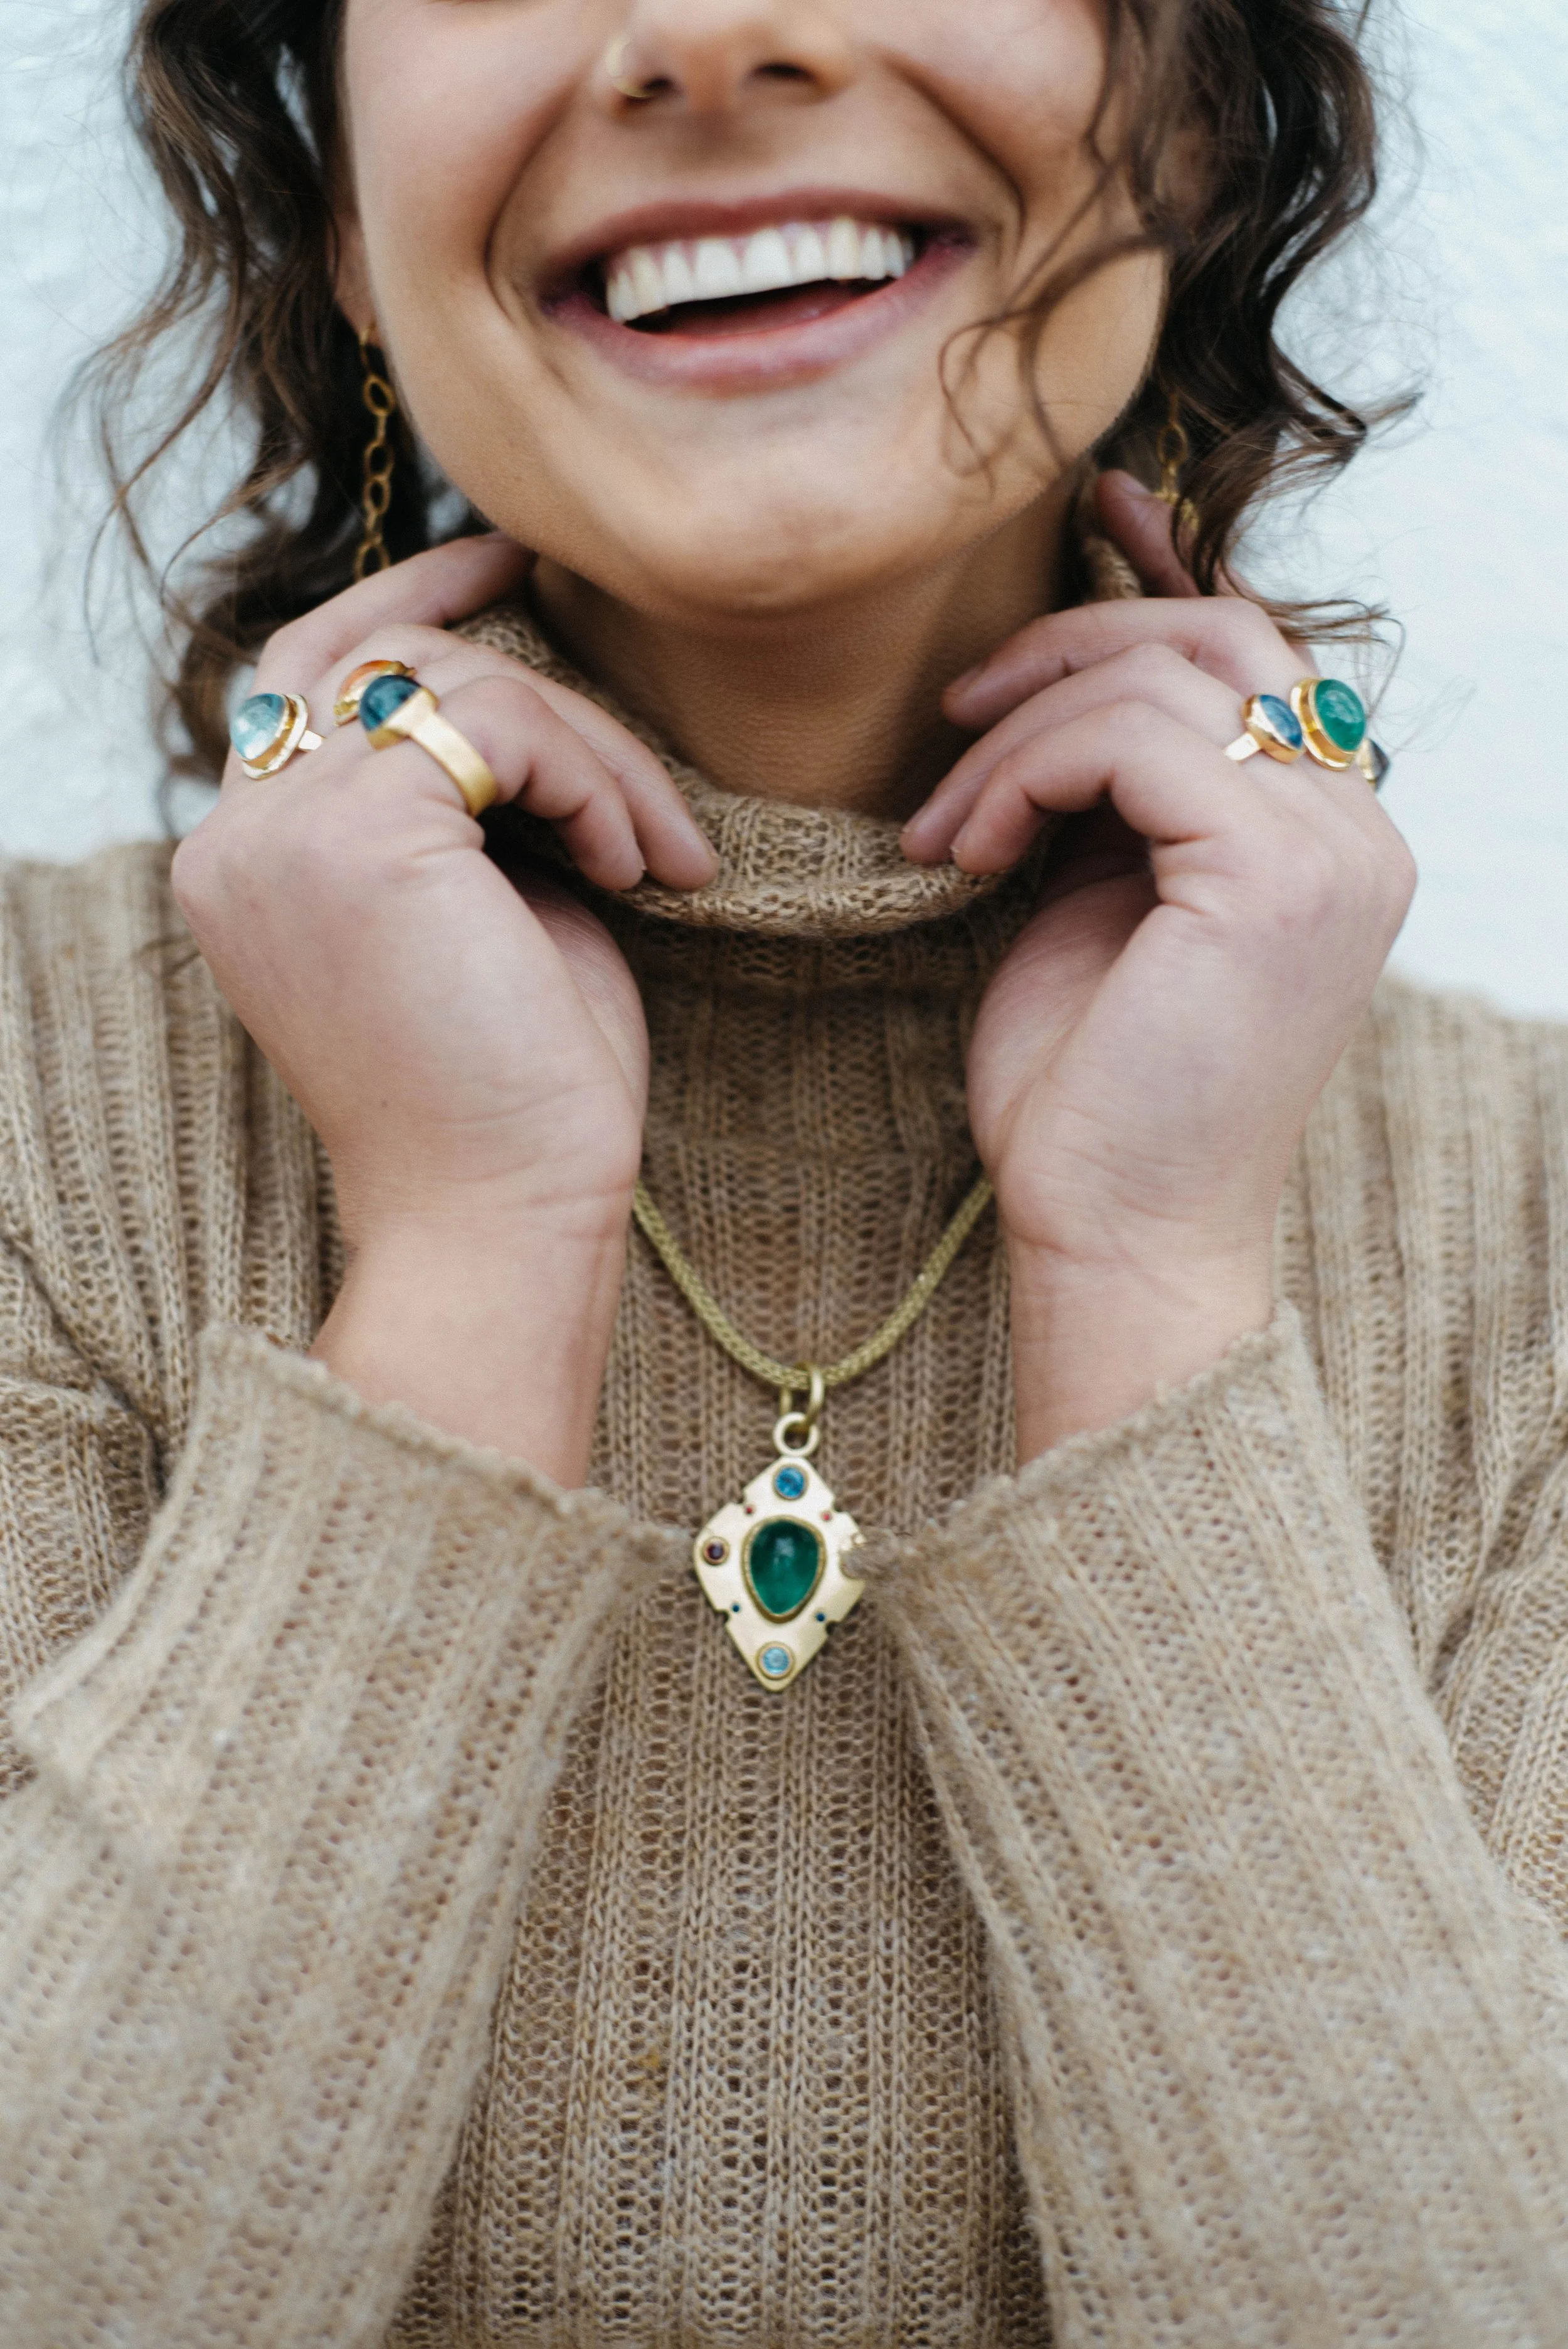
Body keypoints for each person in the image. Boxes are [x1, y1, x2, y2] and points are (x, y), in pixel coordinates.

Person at [1, 0, 1564, 2340]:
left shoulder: (1539, 1243)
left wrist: (1151, 1286)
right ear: (340, 211)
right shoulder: (34, 1123)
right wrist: (461, 1260)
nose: (715, 37)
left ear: (1193, 117)